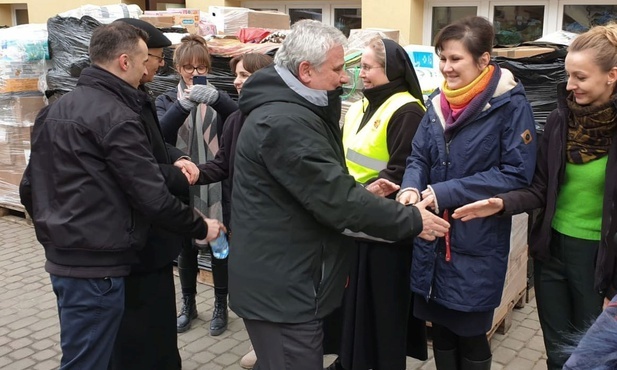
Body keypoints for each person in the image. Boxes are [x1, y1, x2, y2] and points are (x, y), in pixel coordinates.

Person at [228, 19, 450, 370]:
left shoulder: (294, 109)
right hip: (284, 291)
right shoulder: (286, 123)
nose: (346, 78)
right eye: (337, 69)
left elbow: (320, 187)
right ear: (305, 71)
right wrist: (411, 219)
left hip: (286, 278)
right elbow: (338, 201)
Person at [18, 22, 222, 370]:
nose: (150, 67)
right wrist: (202, 227)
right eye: (146, 59)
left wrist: (60, 232)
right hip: (102, 264)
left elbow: (30, 188)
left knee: (93, 355)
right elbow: (151, 197)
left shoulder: (56, 110)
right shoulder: (115, 115)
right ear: (125, 61)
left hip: (66, 261)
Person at [452, 23, 617, 370]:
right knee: (558, 354)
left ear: (612, 76)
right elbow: (541, 186)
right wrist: (501, 203)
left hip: (600, 263)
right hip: (551, 252)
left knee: (593, 360)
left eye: (580, 77)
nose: (570, 85)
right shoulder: (560, 120)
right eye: (568, 75)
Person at [397, 16, 537, 370]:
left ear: (484, 60)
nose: (446, 67)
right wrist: (412, 186)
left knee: (470, 331)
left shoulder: (509, 106)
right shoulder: (436, 104)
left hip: (475, 239)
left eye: (455, 59)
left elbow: (515, 173)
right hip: (431, 237)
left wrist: (442, 191)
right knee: (441, 327)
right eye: (442, 58)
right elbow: (417, 156)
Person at [325, 37, 428, 370]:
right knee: (352, 305)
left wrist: (361, 192)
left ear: (391, 69)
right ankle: (350, 359)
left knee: (381, 310)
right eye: (361, 67)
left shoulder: (407, 110)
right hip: (352, 220)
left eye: (368, 67)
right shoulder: (357, 106)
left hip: (384, 231)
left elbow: (403, 169)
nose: (362, 74)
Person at [108, 18, 201, 370]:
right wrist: (176, 181)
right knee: (141, 343)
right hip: (135, 248)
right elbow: (140, 176)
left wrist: (177, 156)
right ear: (129, 57)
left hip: (150, 247)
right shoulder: (117, 107)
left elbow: (154, 145)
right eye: (155, 57)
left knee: (156, 341)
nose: (159, 64)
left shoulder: (135, 95)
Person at [188, 52, 273, 369]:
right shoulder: (236, 119)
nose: (236, 81)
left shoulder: (275, 118)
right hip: (244, 223)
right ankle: (261, 346)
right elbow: (223, 163)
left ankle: (276, 350)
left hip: (273, 227)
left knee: (270, 293)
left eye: (244, 75)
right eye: (236, 74)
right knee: (250, 292)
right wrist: (197, 172)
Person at [156, 34, 238, 336]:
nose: (195, 73)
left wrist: (217, 99)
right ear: (178, 67)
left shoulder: (219, 97)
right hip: (182, 183)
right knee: (186, 247)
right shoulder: (166, 100)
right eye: (189, 67)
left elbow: (239, 118)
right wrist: (184, 105)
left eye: (201, 67)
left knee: (219, 243)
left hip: (214, 184)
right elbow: (161, 135)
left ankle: (220, 305)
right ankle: (188, 305)